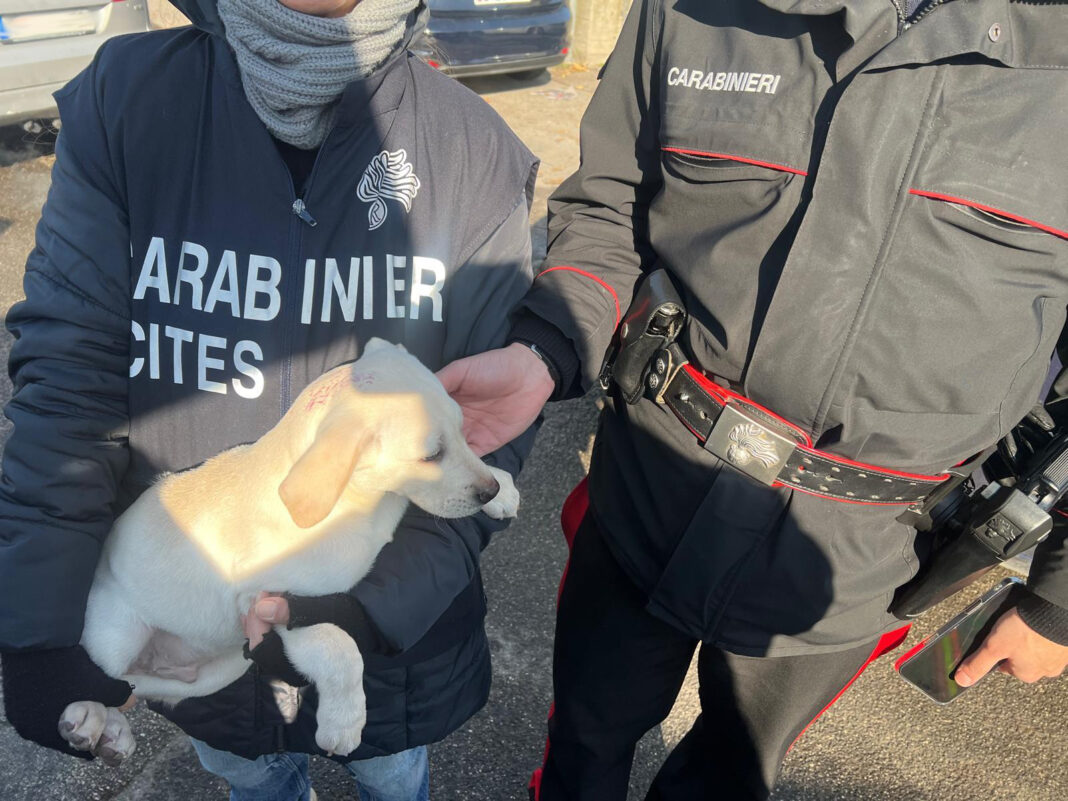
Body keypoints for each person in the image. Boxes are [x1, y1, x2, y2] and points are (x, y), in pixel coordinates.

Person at [435, 0, 1068, 798]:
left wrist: (1058, 601)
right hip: (646, 493)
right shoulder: (690, 9)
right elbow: (609, 204)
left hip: (858, 559)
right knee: (585, 739)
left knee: (727, 778)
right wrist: (547, 345)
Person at [0, 0, 540, 799]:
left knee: (393, 775)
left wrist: (364, 616)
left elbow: (485, 433)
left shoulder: (473, 148)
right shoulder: (129, 103)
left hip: (389, 662)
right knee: (254, 781)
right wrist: (40, 628)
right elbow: (68, 378)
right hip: (208, 655)